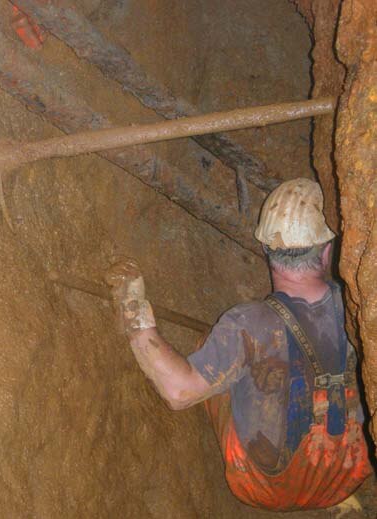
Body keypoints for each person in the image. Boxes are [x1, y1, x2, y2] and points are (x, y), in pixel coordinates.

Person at [105, 178, 372, 511]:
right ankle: (339, 494)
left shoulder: (250, 323)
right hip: (349, 475)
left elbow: (178, 392)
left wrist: (133, 305)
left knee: (212, 351)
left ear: (265, 249)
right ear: (328, 250)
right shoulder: (361, 305)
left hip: (268, 490)